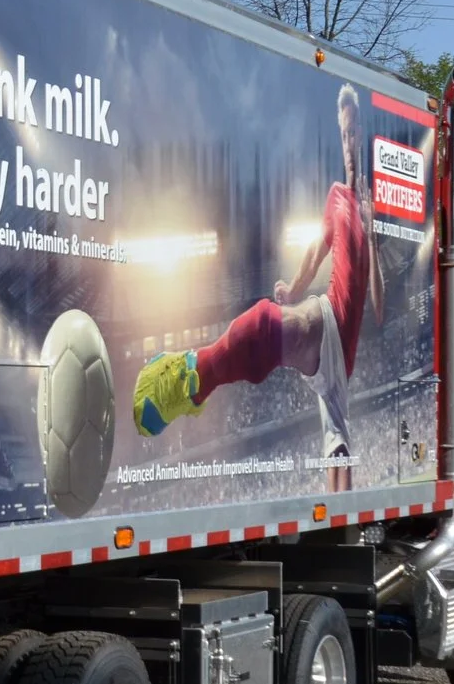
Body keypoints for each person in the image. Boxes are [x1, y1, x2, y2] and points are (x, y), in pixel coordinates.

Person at [133, 83, 383, 492]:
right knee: (274, 326)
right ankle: (197, 377)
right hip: (326, 312)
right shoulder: (336, 196)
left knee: (337, 440)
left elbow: (378, 306)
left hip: (342, 338)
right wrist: (296, 288)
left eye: (353, 131)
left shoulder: (367, 210)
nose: (348, 140)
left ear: (362, 136)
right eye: (343, 131)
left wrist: (372, 237)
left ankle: (195, 374)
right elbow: (316, 250)